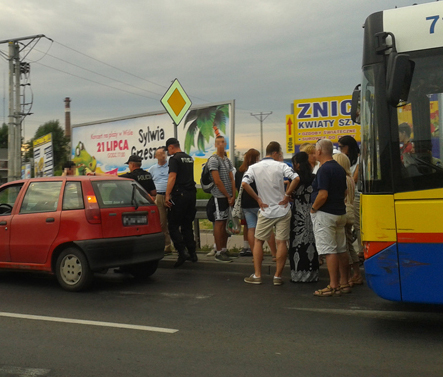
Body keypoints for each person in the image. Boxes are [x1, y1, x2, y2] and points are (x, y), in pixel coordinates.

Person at [242, 141, 300, 286]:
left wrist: (258, 199)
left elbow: (244, 183)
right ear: (275, 153)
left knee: (258, 241)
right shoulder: (281, 166)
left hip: (266, 209)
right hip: (282, 209)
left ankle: (257, 275)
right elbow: (296, 178)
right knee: (281, 242)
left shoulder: (254, 167)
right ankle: (277, 276)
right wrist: (287, 195)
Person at [310, 139, 348, 296]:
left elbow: (322, 194)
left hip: (326, 214)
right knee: (341, 249)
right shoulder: (339, 168)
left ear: (319, 151)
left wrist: (313, 208)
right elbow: (345, 192)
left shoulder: (323, 169)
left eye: (315, 151)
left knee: (329, 250)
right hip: (340, 212)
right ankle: (344, 283)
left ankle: (333, 285)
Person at [164, 138, 197, 268]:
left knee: (172, 224)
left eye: (168, 149)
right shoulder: (189, 158)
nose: (168, 152)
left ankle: (181, 251)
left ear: (172, 147)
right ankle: (192, 253)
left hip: (180, 195)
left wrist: (167, 195)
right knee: (187, 225)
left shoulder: (174, 159)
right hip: (191, 195)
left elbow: (172, 177)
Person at [333, 152, 362, 286]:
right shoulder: (350, 178)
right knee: (350, 245)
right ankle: (357, 273)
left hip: (342, 212)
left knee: (343, 247)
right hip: (350, 212)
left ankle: (348, 275)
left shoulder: (340, 178)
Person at [289, 152, 319, 283]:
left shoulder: (295, 178)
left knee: (297, 244)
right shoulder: (314, 177)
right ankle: (312, 274)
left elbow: (289, 194)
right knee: (311, 243)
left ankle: (297, 274)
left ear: (297, 164)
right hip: (312, 214)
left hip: (298, 216)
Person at [208, 136, 236, 263]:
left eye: (222, 142)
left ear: (225, 144)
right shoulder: (213, 160)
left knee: (225, 222)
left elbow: (231, 178)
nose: (220, 145)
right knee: (219, 222)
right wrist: (227, 195)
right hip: (219, 196)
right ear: (215, 145)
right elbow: (217, 181)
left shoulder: (227, 160)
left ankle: (224, 249)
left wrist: (233, 195)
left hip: (228, 196)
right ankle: (218, 251)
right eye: (218, 143)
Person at [338, 135, 364, 265]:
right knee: (350, 224)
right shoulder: (346, 159)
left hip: (356, 194)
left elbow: (354, 179)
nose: (340, 149)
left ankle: (361, 251)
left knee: (358, 223)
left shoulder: (360, 159)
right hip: (347, 194)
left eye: (342, 147)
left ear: (349, 146)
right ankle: (356, 251)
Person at [235, 149, 260, 258]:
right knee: (262, 227)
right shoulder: (257, 170)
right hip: (258, 202)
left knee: (250, 227)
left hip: (245, 203)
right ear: (255, 158)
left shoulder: (240, 171)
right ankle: (260, 251)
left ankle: (251, 249)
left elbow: (237, 186)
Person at [149, 147, 172, 255]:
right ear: (155, 156)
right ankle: (167, 246)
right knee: (162, 222)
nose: (163, 155)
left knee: (174, 222)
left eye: (164, 153)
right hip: (159, 196)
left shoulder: (171, 166)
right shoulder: (152, 169)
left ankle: (180, 245)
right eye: (160, 153)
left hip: (171, 195)